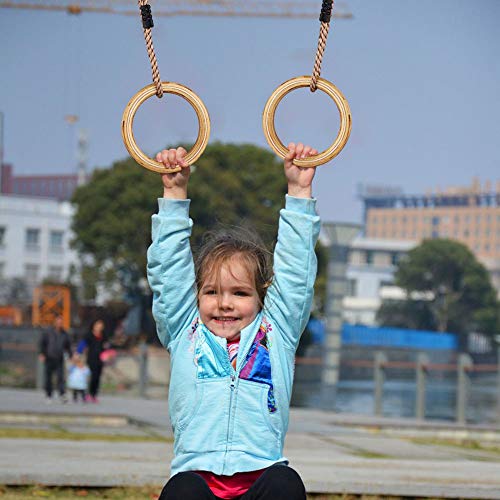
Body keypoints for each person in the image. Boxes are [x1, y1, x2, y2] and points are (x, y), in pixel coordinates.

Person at [147, 142, 320, 500]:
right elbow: (169, 271)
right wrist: (174, 192)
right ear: (196, 296)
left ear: (262, 297)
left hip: (261, 482)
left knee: (287, 484)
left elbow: (296, 273)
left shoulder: (277, 332)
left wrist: (299, 191)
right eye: (211, 292)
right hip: (196, 482)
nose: (224, 304)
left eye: (240, 293)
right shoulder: (184, 329)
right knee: (182, 491)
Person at [38, 315, 72, 403]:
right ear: (55, 322)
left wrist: (70, 356)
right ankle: (49, 395)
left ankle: (62, 394)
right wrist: (42, 354)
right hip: (49, 357)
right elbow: (42, 343)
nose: (59, 324)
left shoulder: (65, 334)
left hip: (59, 358)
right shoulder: (48, 332)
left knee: (60, 377)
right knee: (48, 378)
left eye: (61, 322)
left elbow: (68, 346)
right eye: (58, 322)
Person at [78, 319, 107, 403]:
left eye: (101, 325)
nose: (99, 327)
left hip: (100, 359)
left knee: (98, 377)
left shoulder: (103, 335)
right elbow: (82, 344)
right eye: (98, 325)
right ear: (94, 326)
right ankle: (88, 394)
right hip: (91, 359)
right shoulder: (89, 335)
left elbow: (107, 346)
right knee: (92, 377)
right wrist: (78, 353)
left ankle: (94, 395)